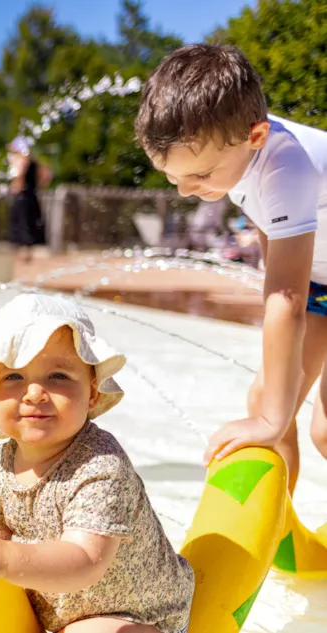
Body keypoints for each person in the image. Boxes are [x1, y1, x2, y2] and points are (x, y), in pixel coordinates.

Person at [0, 294, 194, 633]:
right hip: (56, 611)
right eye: (14, 377)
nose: (34, 393)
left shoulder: (100, 465)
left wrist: (3, 559)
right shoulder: (0, 461)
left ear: (93, 393)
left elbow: (86, 561)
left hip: (133, 612)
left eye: (57, 376)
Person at [135, 43, 327, 493]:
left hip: (312, 289)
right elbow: (278, 255)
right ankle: (279, 532)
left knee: (320, 428)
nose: (185, 190)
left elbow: (287, 299)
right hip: (322, 283)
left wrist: (269, 420)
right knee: (265, 398)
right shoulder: (234, 161)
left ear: (255, 138)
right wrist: (269, 413)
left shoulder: (286, 166)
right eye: (171, 177)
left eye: (199, 176)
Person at [7, 137, 52, 263]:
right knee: (31, 223)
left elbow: (19, 173)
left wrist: (17, 184)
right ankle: (28, 253)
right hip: (32, 195)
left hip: (22, 195)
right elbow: (47, 174)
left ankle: (23, 254)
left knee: (22, 224)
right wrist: (39, 186)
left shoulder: (21, 159)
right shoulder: (35, 161)